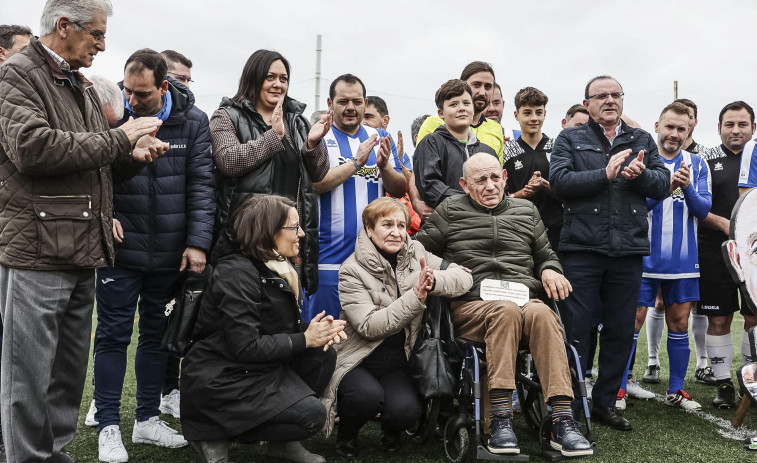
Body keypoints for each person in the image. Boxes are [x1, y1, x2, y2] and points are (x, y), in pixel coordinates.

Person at [0, 0, 167, 460]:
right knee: (29, 377)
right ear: (64, 26)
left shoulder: (80, 84)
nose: (102, 44)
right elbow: (32, 149)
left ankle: (53, 454)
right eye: (96, 34)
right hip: (37, 248)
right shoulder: (17, 73)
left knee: (67, 374)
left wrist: (131, 158)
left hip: (81, 248)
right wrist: (121, 139)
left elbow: (95, 160)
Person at [416, 153, 592, 457]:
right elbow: (418, 250)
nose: (489, 185)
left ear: (505, 178)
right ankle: (500, 418)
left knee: (542, 312)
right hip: (473, 305)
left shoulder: (527, 211)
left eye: (495, 177)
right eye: (480, 180)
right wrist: (448, 266)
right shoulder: (450, 210)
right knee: (505, 311)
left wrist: (551, 269)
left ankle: (562, 420)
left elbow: (546, 255)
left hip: (525, 300)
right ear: (464, 185)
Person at [89, 48, 215, 462]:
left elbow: (201, 184)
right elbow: (93, 171)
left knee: (157, 338)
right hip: (120, 250)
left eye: (141, 93)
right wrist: (104, 215)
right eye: (127, 90)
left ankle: (146, 420)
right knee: (111, 335)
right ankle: (108, 424)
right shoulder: (111, 114)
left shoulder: (193, 122)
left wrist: (197, 242)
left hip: (170, 250)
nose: (133, 100)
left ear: (164, 87)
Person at [181, 195, 345, 463]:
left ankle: (282, 445)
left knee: (322, 354)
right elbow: (245, 346)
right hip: (221, 378)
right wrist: (304, 338)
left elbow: (272, 327)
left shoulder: (274, 264)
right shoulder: (237, 273)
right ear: (269, 232)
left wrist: (316, 331)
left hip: (251, 369)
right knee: (311, 414)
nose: (302, 234)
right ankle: (210, 431)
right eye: (294, 227)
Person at [550, 75, 670, 431]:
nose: (609, 100)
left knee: (619, 330)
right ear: (586, 104)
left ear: (622, 99)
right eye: (600, 96)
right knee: (577, 329)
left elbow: (662, 184)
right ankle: (569, 404)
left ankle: (604, 403)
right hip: (581, 250)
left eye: (615, 94)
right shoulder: (570, 138)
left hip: (627, 251)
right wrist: (605, 173)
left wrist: (639, 176)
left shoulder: (641, 139)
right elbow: (559, 183)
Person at [321, 197, 473, 457]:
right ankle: (347, 435)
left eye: (401, 226)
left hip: (398, 360)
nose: (396, 232)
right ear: (369, 229)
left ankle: (391, 431)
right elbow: (370, 326)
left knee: (407, 410)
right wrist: (415, 296)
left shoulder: (416, 252)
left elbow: (464, 277)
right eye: (387, 224)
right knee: (365, 398)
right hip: (359, 358)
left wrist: (432, 279)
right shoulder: (351, 270)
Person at [211, 49, 331, 299]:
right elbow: (228, 161)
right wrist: (272, 137)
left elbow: (319, 173)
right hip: (246, 238)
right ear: (253, 78)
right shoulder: (227, 116)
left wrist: (312, 145)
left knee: (286, 316)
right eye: (270, 77)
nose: (278, 84)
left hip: (289, 238)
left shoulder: (297, 121)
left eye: (283, 78)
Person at [629, 102, 712, 412]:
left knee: (680, 322)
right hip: (643, 256)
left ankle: (677, 389)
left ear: (689, 131)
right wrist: (667, 187)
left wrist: (686, 188)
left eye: (682, 129)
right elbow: (636, 207)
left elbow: (703, 210)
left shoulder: (697, 163)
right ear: (657, 126)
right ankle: (621, 387)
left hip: (683, 259)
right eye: (670, 127)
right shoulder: (643, 160)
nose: (675, 134)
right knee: (631, 321)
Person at [304, 73, 407, 321]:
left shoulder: (382, 137)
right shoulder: (319, 137)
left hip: (374, 259)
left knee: (370, 333)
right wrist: (356, 162)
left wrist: (385, 168)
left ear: (365, 101)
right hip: (328, 259)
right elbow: (315, 184)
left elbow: (400, 189)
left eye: (357, 101)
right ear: (330, 104)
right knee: (325, 334)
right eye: (343, 101)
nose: (351, 107)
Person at [695, 101, 757, 409]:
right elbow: (696, 204)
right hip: (714, 248)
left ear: (753, 128)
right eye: (729, 124)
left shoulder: (756, 156)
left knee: (753, 318)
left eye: (742, 124)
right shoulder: (705, 160)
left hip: (753, 253)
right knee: (718, 317)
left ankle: (750, 381)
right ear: (719, 127)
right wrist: (728, 226)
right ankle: (723, 384)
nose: (735, 130)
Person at [413, 79, 497, 209]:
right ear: (441, 113)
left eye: (466, 103)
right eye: (453, 105)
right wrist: (472, 202)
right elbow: (430, 186)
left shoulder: (488, 151)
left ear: (473, 109)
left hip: (485, 224)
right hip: (447, 224)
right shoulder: (431, 144)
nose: (462, 108)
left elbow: (500, 188)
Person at [502, 87, 563, 251]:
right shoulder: (507, 151)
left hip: (556, 231)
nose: (534, 118)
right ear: (517, 115)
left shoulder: (558, 148)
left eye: (539, 112)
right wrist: (524, 193)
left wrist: (547, 186)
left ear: (545, 114)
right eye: (527, 112)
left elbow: (568, 193)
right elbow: (501, 197)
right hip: (518, 230)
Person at [416, 61, 504, 161]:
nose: (482, 92)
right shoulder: (432, 123)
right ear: (463, 85)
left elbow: (497, 172)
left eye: (488, 87)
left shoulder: (496, 129)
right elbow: (420, 171)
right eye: (476, 85)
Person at [362, 96, 420, 234]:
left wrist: (395, 163)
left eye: (369, 117)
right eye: (361, 117)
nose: (363, 122)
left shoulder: (397, 152)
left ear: (385, 120)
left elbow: (407, 188)